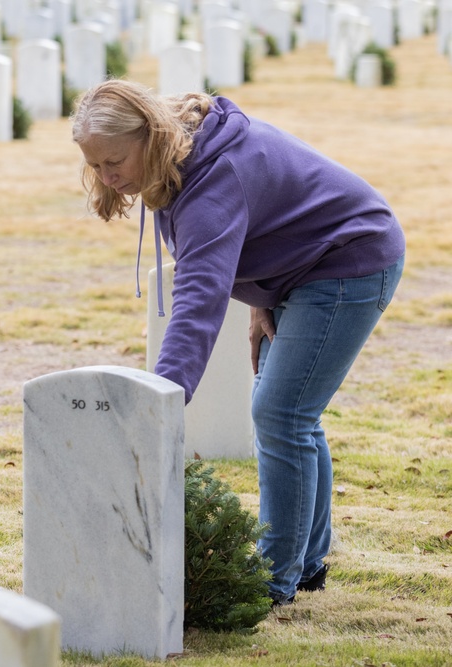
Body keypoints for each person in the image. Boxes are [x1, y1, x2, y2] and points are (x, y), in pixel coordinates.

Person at [71, 79, 405, 606]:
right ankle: (308, 563)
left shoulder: (211, 179)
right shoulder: (178, 154)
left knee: (280, 413)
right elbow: (266, 216)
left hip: (349, 260)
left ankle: (274, 579)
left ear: (150, 136)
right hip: (301, 267)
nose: (107, 179)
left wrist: (162, 400)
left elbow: (198, 299)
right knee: (291, 413)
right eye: (95, 166)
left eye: (114, 162)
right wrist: (260, 296)